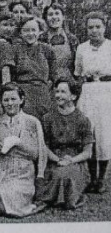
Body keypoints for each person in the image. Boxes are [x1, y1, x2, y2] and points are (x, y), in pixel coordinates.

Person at [0, 83, 47, 217]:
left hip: (22, 172)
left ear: (21, 99)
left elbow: (37, 154)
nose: (10, 103)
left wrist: (18, 143)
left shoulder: (32, 122)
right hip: (0, 169)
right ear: (1, 102)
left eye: (13, 99)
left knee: (6, 202)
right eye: (6, 100)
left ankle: (25, 203)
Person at [38, 78, 93, 209]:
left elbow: (87, 152)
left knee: (65, 175)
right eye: (57, 91)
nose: (58, 95)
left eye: (63, 92)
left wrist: (71, 160)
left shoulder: (83, 120)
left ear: (73, 96)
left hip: (75, 160)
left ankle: (67, 197)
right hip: (53, 159)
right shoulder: (47, 118)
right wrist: (57, 159)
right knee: (50, 177)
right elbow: (43, 146)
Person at [74, 11, 111, 194]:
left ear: (105, 27)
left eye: (98, 26)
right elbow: (78, 72)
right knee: (89, 134)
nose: (94, 30)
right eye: (90, 27)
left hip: (106, 93)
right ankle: (92, 177)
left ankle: (102, 178)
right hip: (88, 93)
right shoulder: (81, 48)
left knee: (104, 136)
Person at [12, 15, 56, 120]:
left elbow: (53, 75)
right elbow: (12, 76)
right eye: (26, 30)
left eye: (33, 30)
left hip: (43, 95)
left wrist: (46, 89)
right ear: (20, 33)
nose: (30, 34)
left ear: (40, 31)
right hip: (23, 96)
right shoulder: (15, 50)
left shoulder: (47, 50)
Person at [40, 3, 79, 80]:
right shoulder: (41, 39)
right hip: (48, 83)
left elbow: (78, 65)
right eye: (50, 14)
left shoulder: (72, 40)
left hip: (69, 83)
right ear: (46, 18)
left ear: (63, 17)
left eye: (57, 13)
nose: (54, 17)